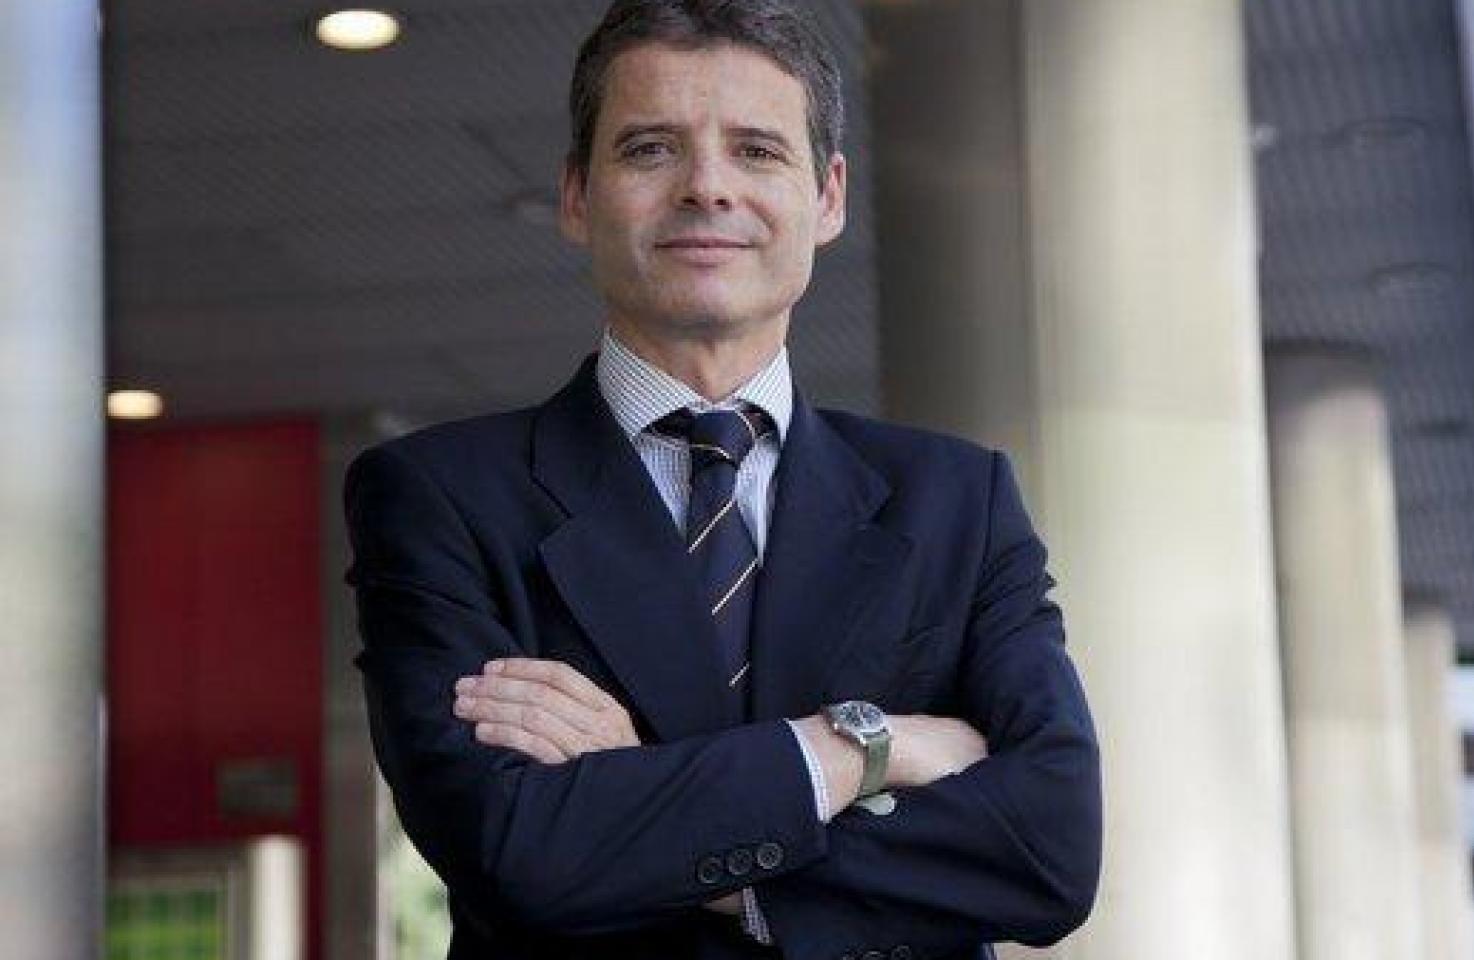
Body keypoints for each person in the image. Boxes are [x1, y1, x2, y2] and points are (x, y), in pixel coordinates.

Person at [343, 0, 1101, 956]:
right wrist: (866, 748)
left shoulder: (959, 499)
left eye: (756, 150)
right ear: (577, 194)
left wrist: (639, 800)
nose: (707, 187)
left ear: (828, 197)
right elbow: (515, 852)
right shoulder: (440, 498)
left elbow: (1048, 848)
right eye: (651, 149)